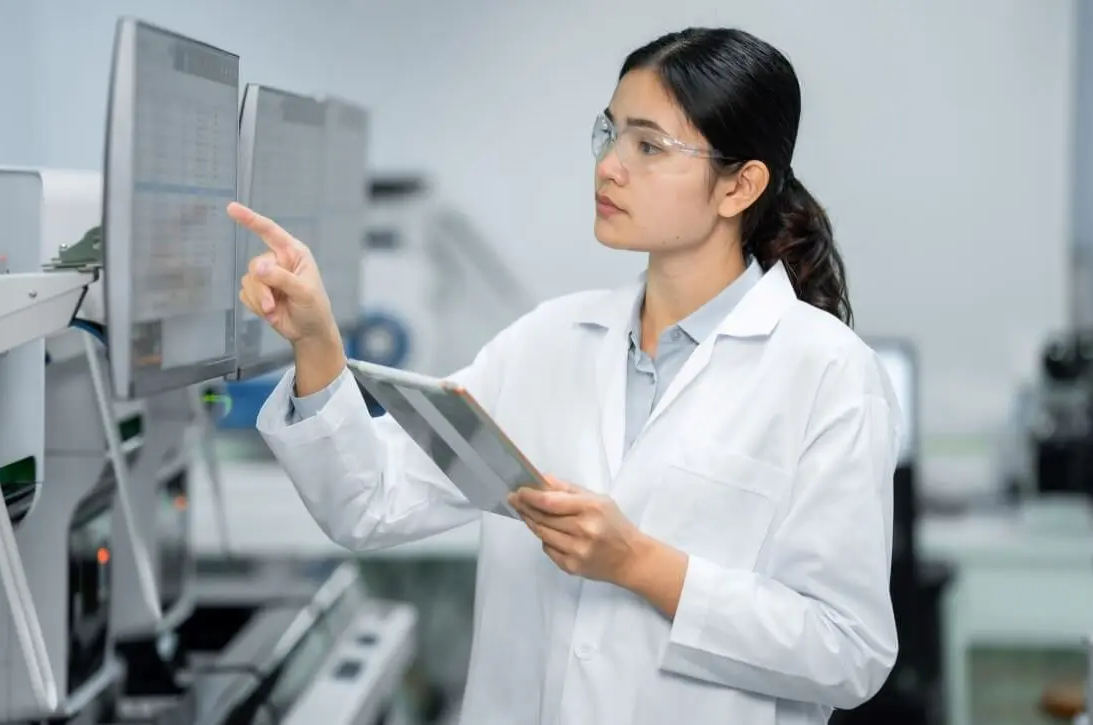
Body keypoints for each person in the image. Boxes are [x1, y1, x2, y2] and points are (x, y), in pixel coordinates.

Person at [228, 26, 901, 725]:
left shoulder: (827, 372)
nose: (609, 166)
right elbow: (365, 501)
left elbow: (846, 650)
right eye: (609, 135)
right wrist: (315, 342)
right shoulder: (548, 342)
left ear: (739, 184)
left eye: (648, 146)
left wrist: (637, 562)